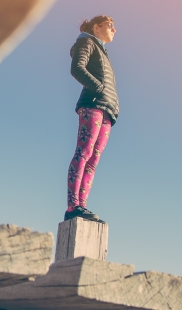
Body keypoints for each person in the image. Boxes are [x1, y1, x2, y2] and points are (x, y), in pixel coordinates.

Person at [65, 15, 119, 222]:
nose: (114, 30)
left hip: (107, 110)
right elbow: (77, 68)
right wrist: (98, 88)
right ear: (96, 28)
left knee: (93, 160)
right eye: (111, 26)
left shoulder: (102, 51)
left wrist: (113, 107)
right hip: (93, 104)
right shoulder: (86, 41)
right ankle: (73, 207)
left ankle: (82, 206)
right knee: (84, 152)